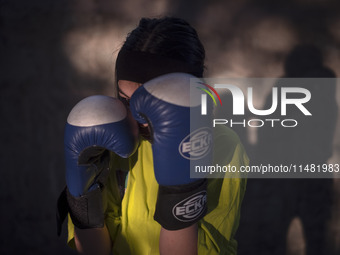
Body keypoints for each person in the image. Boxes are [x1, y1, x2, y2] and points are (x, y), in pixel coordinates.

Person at [57, 17, 248, 255]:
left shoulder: (222, 146)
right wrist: (82, 197)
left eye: (152, 107)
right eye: (125, 101)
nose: (138, 119)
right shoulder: (113, 140)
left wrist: (182, 187)